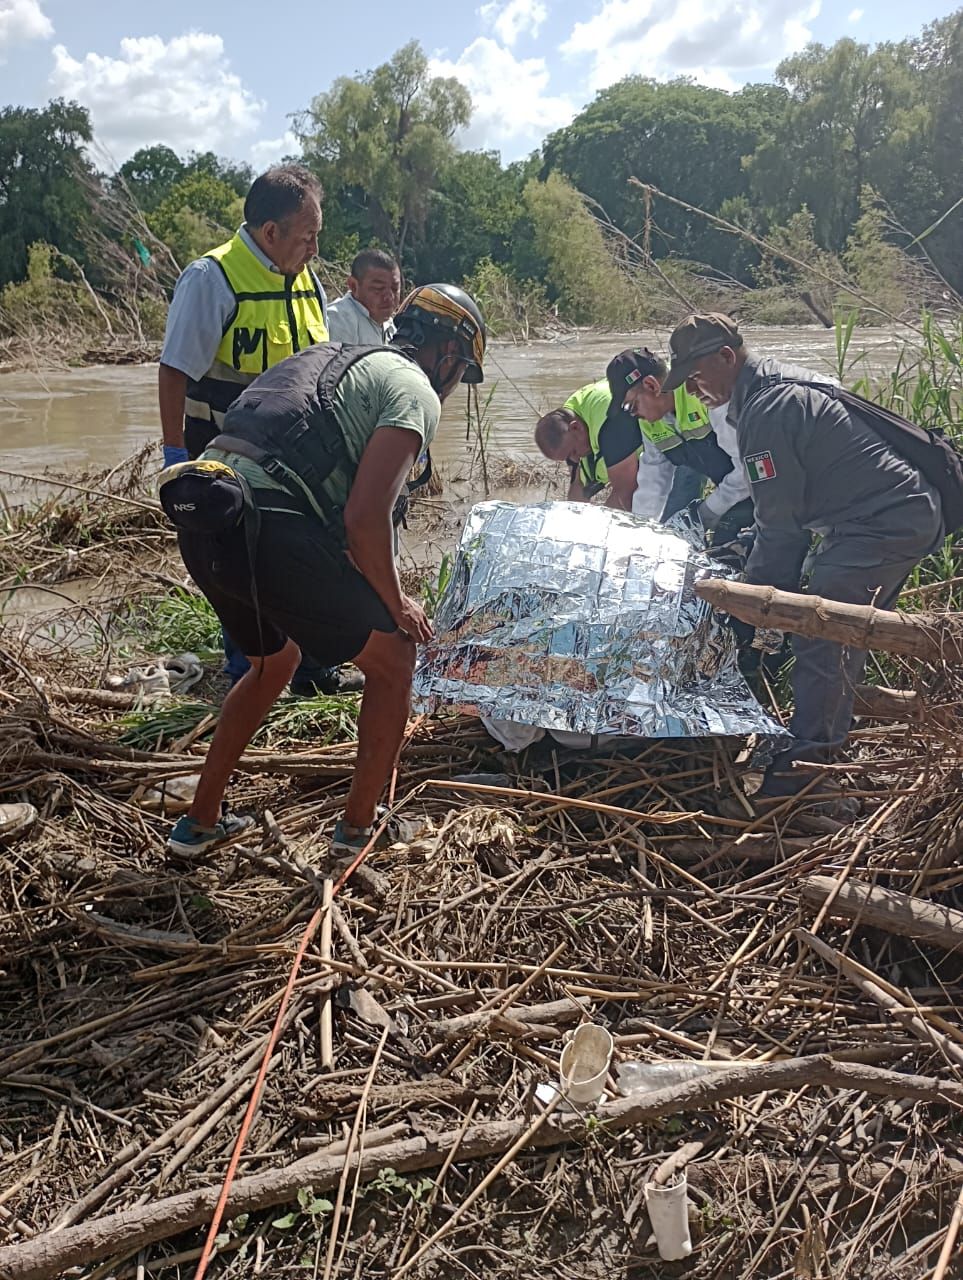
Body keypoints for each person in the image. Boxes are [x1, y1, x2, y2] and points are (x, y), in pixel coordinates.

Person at [159, 284, 486, 857]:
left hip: (207, 517)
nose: (455, 383)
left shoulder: (331, 356)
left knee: (272, 662)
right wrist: (397, 603)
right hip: (267, 529)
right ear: (450, 355)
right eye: (461, 370)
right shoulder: (415, 393)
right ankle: (360, 830)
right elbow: (365, 520)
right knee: (394, 660)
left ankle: (199, 822)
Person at [662, 312, 944, 810]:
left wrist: (751, 613)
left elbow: (781, 530)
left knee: (825, 634)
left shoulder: (768, 411)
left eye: (696, 376)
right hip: (880, 518)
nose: (692, 390)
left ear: (726, 358)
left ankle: (807, 782)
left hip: (882, 522)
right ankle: (818, 752)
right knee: (840, 637)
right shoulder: (764, 393)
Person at [157, 163, 354, 697]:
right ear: (271, 233)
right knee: (238, 565)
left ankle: (307, 665)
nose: (315, 248)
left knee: (300, 560)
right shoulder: (212, 279)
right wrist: (176, 455)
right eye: (308, 236)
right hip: (227, 460)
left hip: (295, 462)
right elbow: (175, 370)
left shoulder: (305, 280)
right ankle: (249, 670)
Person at [607, 347, 753, 541]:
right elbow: (652, 484)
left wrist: (704, 513)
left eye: (630, 406)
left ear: (651, 386)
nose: (633, 415)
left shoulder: (706, 397)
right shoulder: (650, 424)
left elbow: (747, 469)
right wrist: (642, 535)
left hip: (768, 490)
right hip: (731, 494)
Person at [534, 380, 642, 510]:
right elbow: (578, 488)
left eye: (572, 452)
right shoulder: (570, 418)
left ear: (575, 428)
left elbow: (625, 492)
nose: (575, 458)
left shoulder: (611, 423)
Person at [327, 249, 402, 344]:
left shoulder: (389, 325)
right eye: (378, 288)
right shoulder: (338, 320)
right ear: (353, 286)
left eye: (395, 288)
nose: (389, 297)